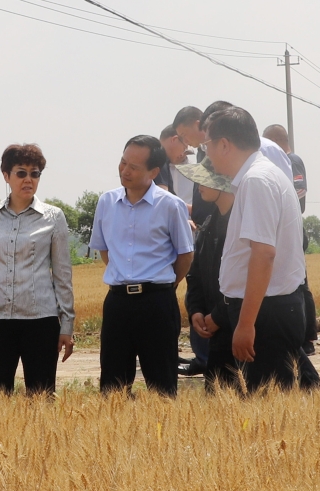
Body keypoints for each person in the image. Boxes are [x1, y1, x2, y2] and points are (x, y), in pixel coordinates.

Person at [203, 107, 317, 392]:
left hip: (266, 312)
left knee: (267, 403)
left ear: (224, 144)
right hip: (268, 309)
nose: (207, 155)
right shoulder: (261, 175)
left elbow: (263, 254)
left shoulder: (256, 180)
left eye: (207, 145)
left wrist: (245, 324)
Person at [89, 135, 194, 396]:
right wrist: (125, 275)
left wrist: (165, 285)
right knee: (112, 387)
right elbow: (105, 250)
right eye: (123, 162)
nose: (125, 171)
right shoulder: (106, 202)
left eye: (134, 167)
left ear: (154, 172)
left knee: (162, 387)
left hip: (157, 304)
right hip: (117, 303)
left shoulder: (171, 205)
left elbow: (185, 256)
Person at [0, 143, 75, 395]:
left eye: (34, 173)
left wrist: (67, 325)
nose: (28, 179)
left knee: (41, 399)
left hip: (41, 322)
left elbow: (62, 275)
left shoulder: (53, 217)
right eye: (21, 173)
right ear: (6, 175)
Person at [177, 157, 238, 391]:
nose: (198, 186)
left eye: (204, 180)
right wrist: (196, 310)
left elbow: (243, 280)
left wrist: (218, 316)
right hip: (216, 331)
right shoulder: (210, 223)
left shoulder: (241, 223)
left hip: (238, 326)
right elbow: (195, 275)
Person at [155, 124, 209, 376]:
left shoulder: (170, 163)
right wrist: (192, 212)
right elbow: (164, 197)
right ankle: (166, 352)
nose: (185, 151)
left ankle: (174, 352)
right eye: (184, 143)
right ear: (173, 138)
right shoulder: (157, 162)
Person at [263, 123, 318, 355]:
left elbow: (299, 190)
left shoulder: (291, 160)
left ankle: (307, 336)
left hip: (291, 227)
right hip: (284, 228)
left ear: (275, 141)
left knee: (299, 282)